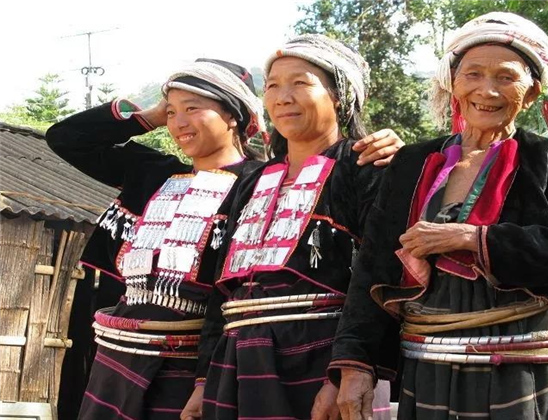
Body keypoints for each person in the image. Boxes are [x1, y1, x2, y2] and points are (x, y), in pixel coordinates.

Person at [47, 59, 402, 419]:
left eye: (193, 108)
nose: (179, 122)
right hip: (118, 355)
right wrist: (152, 115)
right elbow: (66, 139)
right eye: (172, 112)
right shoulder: (151, 173)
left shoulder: (259, 183)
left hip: (201, 362)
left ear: (232, 115)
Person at [328, 12, 548, 420]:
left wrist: (472, 239)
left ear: (532, 92)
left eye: (506, 77)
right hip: (427, 367)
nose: (487, 90)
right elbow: (373, 267)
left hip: (519, 369)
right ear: (452, 81)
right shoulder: (411, 163)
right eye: (473, 74)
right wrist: (356, 362)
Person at [186, 34, 393, 420]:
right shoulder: (252, 180)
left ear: (339, 96)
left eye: (300, 83)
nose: (283, 98)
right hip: (237, 357)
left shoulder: (363, 166)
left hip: (320, 357)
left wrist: (348, 369)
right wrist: (203, 380)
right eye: (272, 86)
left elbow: (376, 274)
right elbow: (221, 287)